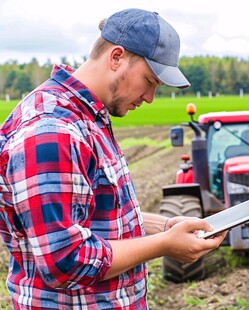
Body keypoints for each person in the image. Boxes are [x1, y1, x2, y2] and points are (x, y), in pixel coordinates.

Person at [0, 8, 226, 309]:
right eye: (149, 80)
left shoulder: (88, 119)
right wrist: (164, 245)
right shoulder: (52, 132)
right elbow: (66, 260)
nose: (149, 98)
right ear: (116, 57)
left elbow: (93, 216)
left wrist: (167, 225)